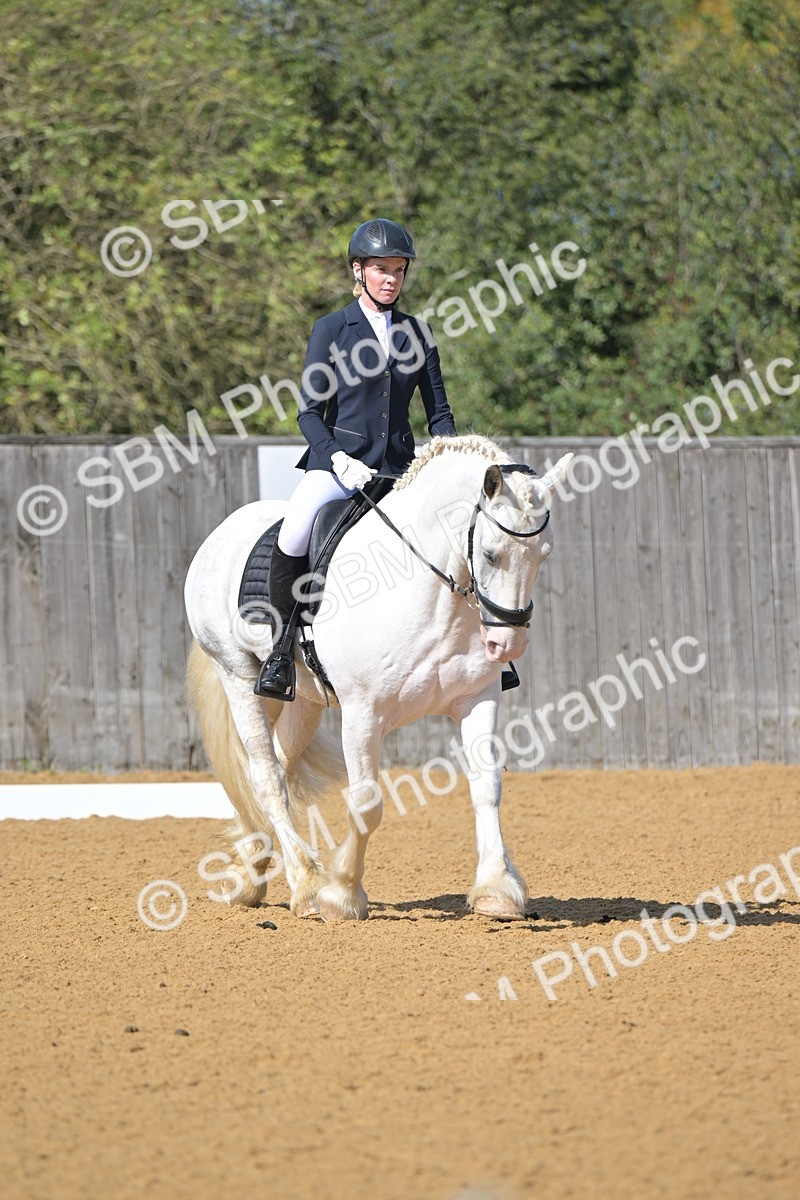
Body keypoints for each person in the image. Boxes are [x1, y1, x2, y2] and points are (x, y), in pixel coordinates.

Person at [255, 217, 457, 699]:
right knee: (297, 525)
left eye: (399, 270)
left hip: (402, 470)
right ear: (359, 270)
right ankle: (282, 649)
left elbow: (440, 413)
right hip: (343, 468)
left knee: (460, 529)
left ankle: (472, 645)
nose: (391, 279)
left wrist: (450, 460)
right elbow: (308, 412)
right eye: (381, 269)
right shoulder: (331, 329)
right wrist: (337, 459)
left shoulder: (418, 333)